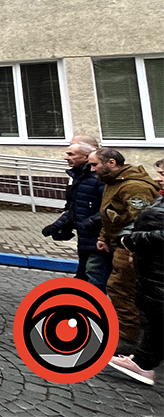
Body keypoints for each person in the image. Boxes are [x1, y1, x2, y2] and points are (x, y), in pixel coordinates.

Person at [90, 146, 158, 354]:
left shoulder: (134, 187)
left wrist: (132, 251)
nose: (92, 169)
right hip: (119, 243)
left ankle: (128, 337)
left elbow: (141, 222)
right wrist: (104, 237)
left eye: (94, 164)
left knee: (120, 287)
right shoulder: (114, 182)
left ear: (111, 163)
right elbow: (111, 214)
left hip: (130, 246)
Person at [107, 189, 164, 385]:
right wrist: (126, 237)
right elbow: (140, 219)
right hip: (152, 269)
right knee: (157, 317)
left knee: (158, 317)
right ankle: (142, 361)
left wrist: (133, 240)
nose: (159, 179)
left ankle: (142, 362)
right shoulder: (160, 198)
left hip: (158, 270)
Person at [42, 138, 105, 286]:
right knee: (84, 277)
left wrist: (87, 224)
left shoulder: (98, 178)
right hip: (85, 238)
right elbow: (75, 207)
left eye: (71, 153)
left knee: (94, 278)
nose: (66, 157)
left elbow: (108, 209)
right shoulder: (79, 176)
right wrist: (59, 225)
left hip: (98, 240)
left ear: (86, 156)